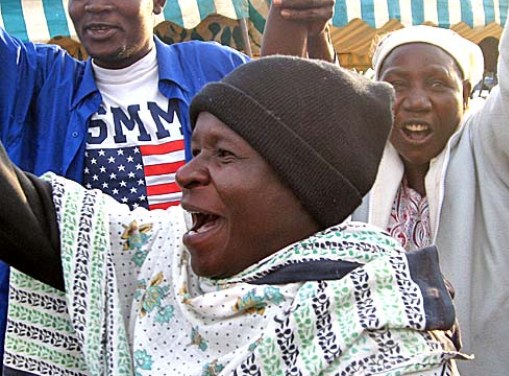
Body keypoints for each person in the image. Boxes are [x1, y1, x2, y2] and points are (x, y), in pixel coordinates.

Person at [0, 56, 466, 375]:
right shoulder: (161, 256)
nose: (186, 173)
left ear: (300, 187)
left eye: (222, 154)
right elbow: (27, 214)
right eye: (196, 148)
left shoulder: (384, 345)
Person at [0, 0, 333, 364]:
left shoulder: (215, 67)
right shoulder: (38, 80)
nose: (95, 5)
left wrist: (312, 35)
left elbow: (287, 133)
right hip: (83, 324)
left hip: (207, 321)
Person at [351, 0, 509, 374]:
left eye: (438, 83)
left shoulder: (497, 153)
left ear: (467, 95)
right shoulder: (359, 167)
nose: (417, 101)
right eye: (396, 84)